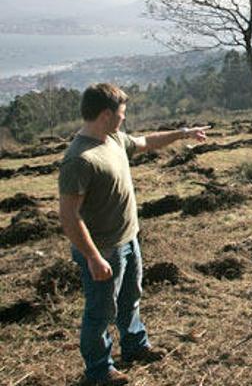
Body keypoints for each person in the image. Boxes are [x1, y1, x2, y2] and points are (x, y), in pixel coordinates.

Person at [58, 83, 209, 386]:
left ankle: (135, 346)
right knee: (100, 311)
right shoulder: (80, 159)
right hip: (103, 249)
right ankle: (99, 371)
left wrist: (182, 133)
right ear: (104, 115)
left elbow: (144, 142)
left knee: (131, 298)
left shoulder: (112, 138)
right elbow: (69, 216)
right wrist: (93, 257)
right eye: (121, 114)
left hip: (128, 238)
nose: (124, 119)